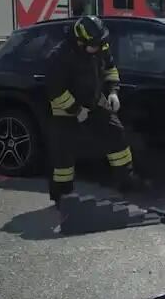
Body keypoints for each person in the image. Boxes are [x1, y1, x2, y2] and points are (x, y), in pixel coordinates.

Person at [44, 15, 144, 206]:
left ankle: (127, 181)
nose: (98, 48)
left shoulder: (100, 46)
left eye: (100, 44)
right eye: (94, 45)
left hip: (95, 102)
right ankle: (63, 197)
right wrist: (76, 110)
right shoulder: (59, 56)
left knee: (116, 134)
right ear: (80, 42)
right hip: (65, 111)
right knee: (63, 157)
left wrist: (113, 91)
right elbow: (56, 91)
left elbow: (110, 69)